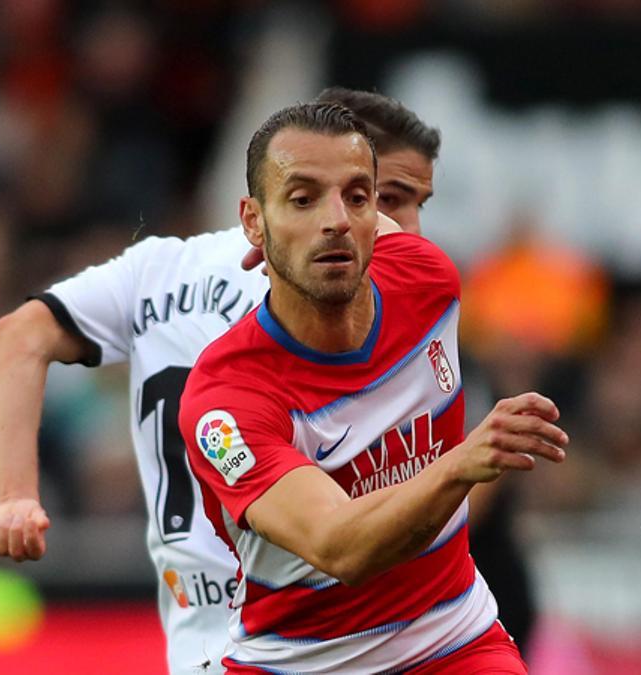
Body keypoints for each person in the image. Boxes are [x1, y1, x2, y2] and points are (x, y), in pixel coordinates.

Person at [0, 89, 440, 673]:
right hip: (315, 640)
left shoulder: (159, 270)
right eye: (388, 199)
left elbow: (20, 336)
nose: (409, 229)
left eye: (410, 204)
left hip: (202, 642)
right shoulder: (334, 307)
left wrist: (17, 493)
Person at [178, 102, 567, 672]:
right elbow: (340, 547)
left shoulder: (427, 282)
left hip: (451, 640)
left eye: (358, 197)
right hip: (300, 662)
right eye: (302, 199)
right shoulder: (225, 401)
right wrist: (461, 462)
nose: (335, 220)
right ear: (253, 222)